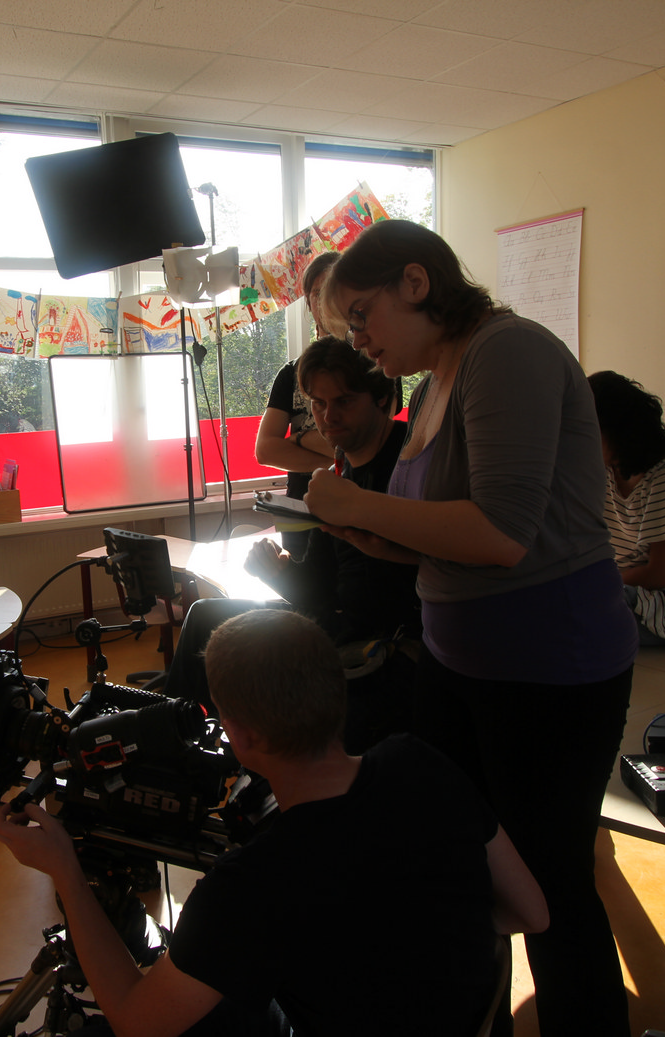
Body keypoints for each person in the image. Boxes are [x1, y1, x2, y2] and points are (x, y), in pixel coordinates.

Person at [305, 220, 637, 1036]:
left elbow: (500, 532)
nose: (358, 340)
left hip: (546, 665)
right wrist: (372, 533)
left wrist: (359, 502)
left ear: (415, 283)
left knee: (547, 883)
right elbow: (438, 529)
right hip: (460, 660)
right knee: (463, 861)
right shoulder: (434, 380)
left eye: (361, 315)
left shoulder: (506, 351)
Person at [0, 609, 548, 1037]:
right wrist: (415, 934)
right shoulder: (419, 761)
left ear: (242, 736)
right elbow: (533, 913)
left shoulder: (251, 886)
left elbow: (138, 1023)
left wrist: (66, 871)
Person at [168, 336, 419, 751]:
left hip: (375, 639)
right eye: (318, 404)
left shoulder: (408, 462)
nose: (327, 417)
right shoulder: (340, 471)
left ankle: (184, 749)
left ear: (382, 400)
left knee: (220, 635)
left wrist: (293, 583)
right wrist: (277, 572)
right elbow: (318, 585)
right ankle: (176, 745)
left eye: (343, 401)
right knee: (202, 618)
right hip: (333, 621)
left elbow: (375, 591)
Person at [588, 370, 665, 648]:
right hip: (628, 593)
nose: (581, 440)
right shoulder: (608, 473)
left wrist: (594, 582)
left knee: (566, 607)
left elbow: (660, 575)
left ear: (618, 430)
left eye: (589, 430)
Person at [253, 251, 345, 563]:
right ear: (308, 303)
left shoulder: (371, 364)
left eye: (332, 290)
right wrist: (334, 459)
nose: (324, 301)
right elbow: (265, 450)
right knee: (295, 584)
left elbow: (363, 445)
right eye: (317, 293)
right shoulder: (290, 373)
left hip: (353, 506)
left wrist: (298, 439)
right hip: (298, 510)